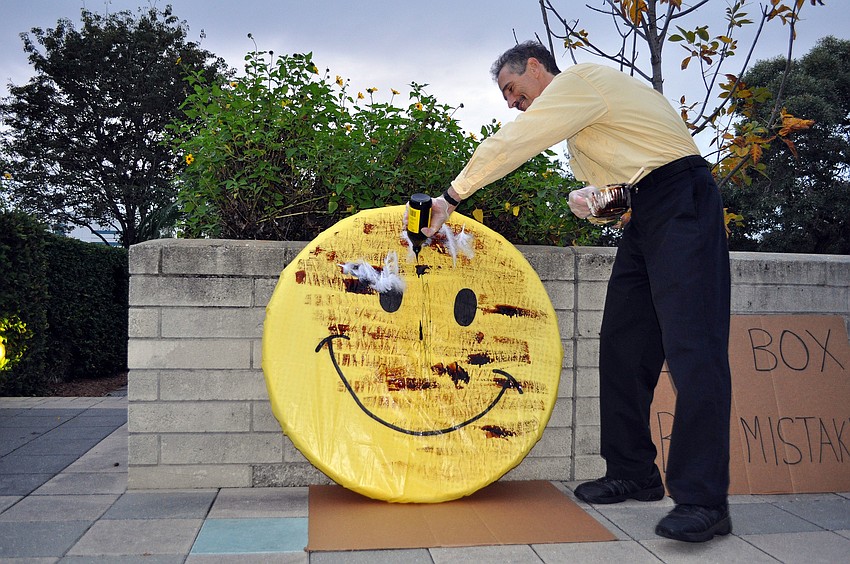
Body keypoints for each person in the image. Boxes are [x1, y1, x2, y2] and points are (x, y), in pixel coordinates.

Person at [417, 41, 732, 543]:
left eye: (513, 89)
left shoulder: (579, 81)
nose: (512, 103)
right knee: (624, 347)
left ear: (537, 69)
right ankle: (634, 473)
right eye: (506, 97)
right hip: (647, 217)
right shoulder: (580, 125)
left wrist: (451, 197)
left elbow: (517, 141)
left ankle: (705, 500)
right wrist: (594, 201)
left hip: (682, 201)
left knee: (696, 352)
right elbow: (621, 190)